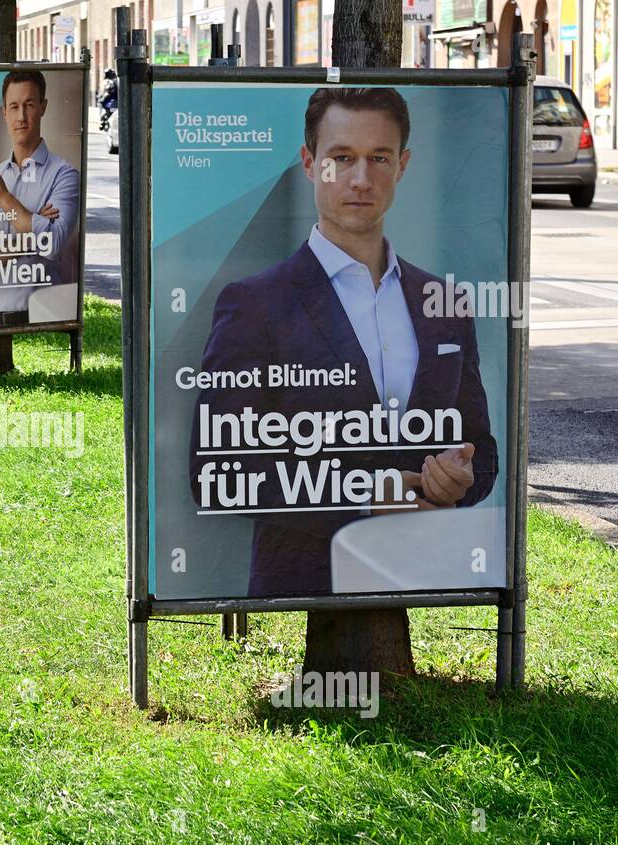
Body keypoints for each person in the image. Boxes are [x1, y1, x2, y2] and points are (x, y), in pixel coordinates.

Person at [189, 87, 497, 597]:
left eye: (379, 158)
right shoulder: (255, 304)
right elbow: (217, 469)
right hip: (304, 580)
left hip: (427, 579)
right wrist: (364, 497)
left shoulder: (443, 302)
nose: (360, 179)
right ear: (310, 164)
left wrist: (459, 479)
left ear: (402, 166)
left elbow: (480, 449)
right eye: (341, 158)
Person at [0, 69, 81, 327]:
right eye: (14, 107)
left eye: (29, 105)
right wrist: (33, 232)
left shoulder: (64, 175)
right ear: (4, 112)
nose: (22, 117)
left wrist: (6, 201)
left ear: (43, 107)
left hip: (44, 320)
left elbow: (54, 242)